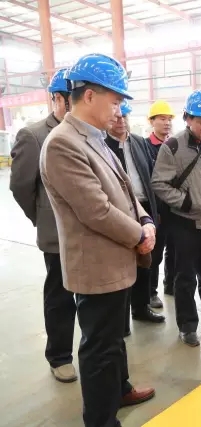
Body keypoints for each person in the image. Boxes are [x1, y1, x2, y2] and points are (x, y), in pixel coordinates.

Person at [39, 53, 155, 427]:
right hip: (97, 266)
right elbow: (97, 210)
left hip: (117, 260)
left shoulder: (97, 138)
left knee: (114, 339)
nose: (119, 110)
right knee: (100, 348)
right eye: (115, 101)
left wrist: (145, 218)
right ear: (89, 96)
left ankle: (119, 390)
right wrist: (139, 235)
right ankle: (102, 420)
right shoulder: (63, 144)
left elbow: (125, 190)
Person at [9, 68, 78, 383]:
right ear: (58, 99)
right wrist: (42, 218)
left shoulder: (86, 132)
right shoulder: (34, 135)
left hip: (89, 233)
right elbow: (21, 187)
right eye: (72, 98)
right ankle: (60, 356)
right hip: (57, 235)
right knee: (60, 296)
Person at [151, 90, 201, 347]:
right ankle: (187, 325)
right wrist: (186, 202)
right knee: (185, 278)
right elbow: (159, 183)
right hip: (187, 224)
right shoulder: (172, 147)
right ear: (187, 118)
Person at [106, 100, 165, 330]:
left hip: (144, 209)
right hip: (119, 212)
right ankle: (122, 321)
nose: (121, 122)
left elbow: (152, 177)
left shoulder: (139, 142)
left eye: (125, 117)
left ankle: (141, 308)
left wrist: (154, 212)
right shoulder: (103, 145)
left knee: (145, 260)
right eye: (117, 118)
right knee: (122, 265)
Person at [146, 100, 175, 300]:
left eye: (169, 119)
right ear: (152, 121)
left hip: (174, 208)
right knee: (155, 253)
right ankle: (150, 293)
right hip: (157, 210)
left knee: (173, 250)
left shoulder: (174, 145)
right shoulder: (145, 146)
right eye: (162, 119)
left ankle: (170, 285)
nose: (166, 123)